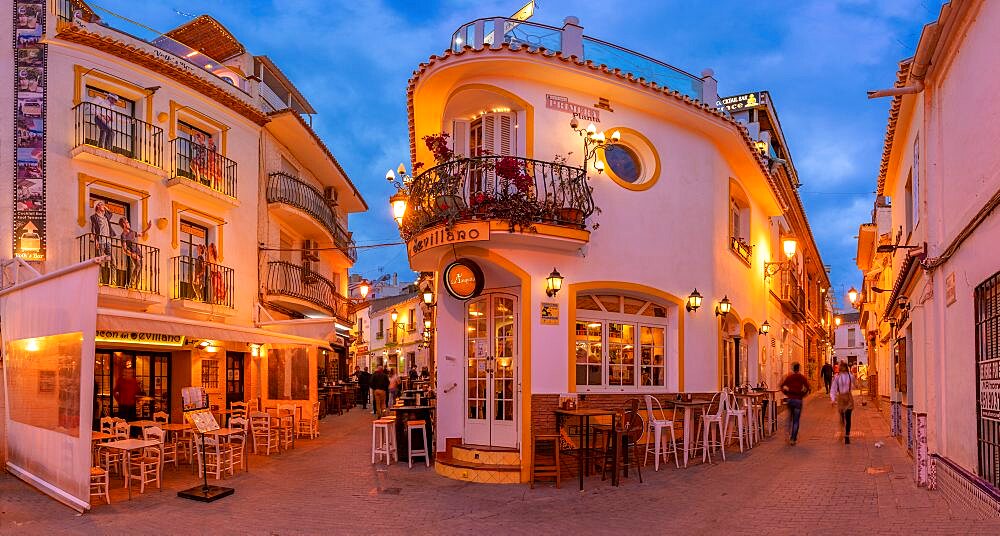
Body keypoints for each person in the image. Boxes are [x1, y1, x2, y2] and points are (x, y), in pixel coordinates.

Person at [779, 362, 811, 446]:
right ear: (799, 369)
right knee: (796, 420)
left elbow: (782, 386)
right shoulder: (802, 377)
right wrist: (802, 395)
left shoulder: (789, 377)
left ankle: (787, 433)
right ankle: (793, 438)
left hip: (790, 400)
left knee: (789, 418)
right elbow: (808, 387)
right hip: (798, 400)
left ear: (793, 369)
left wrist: (786, 393)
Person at [830, 360, 857, 444]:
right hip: (841, 398)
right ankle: (842, 431)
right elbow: (833, 388)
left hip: (848, 397)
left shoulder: (850, 376)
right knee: (842, 418)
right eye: (841, 367)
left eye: (843, 366)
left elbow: (855, 385)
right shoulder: (837, 377)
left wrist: (856, 383)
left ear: (846, 367)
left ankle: (847, 436)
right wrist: (833, 399)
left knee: (848, 418)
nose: (842, 368)